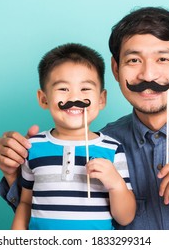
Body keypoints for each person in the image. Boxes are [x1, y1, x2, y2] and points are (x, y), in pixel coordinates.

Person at [0, 7, 169, 230]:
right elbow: (56, 216)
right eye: (134, 60)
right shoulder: (100, 145)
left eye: (163, 59)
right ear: (115, 69)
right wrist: (13, 174)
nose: (148, 75)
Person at [10, 43, 136, 230]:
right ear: (43, 99)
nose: (74, 97)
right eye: (63, 89)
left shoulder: (112, 148)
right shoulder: (33, 147)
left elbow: (125, 218)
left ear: (101, 99)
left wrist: (116, 184)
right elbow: (25, 203)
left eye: (85, 89)